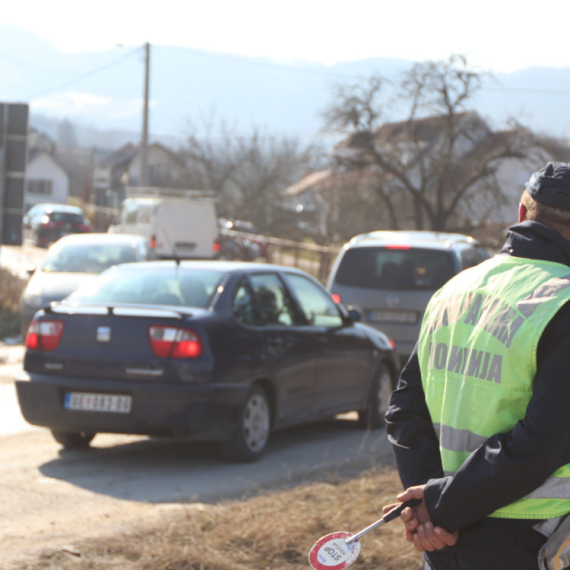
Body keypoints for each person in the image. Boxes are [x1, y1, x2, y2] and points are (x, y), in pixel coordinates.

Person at [384, 162, 570, 570]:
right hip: (532, 537)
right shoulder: (564, 302)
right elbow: (544, 442)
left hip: (447, 541)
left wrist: (431, 504)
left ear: (521, 214)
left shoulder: (454, 289)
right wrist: (440, 507)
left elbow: (404, 411)